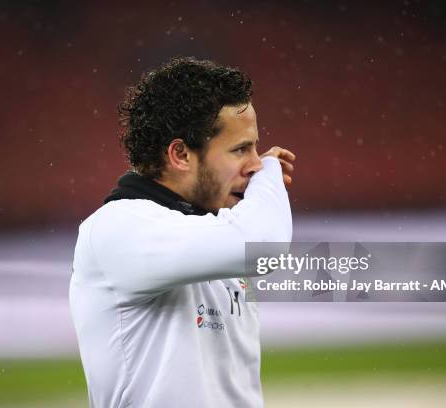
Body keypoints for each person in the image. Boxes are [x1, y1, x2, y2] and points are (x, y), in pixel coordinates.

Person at [69, 57, 295, 408]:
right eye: (239, 149)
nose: (255, 164)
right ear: (180, 154)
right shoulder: (119, 227)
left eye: (255, 147)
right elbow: (265, 247)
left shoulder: (214, 228)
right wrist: (270, 174)